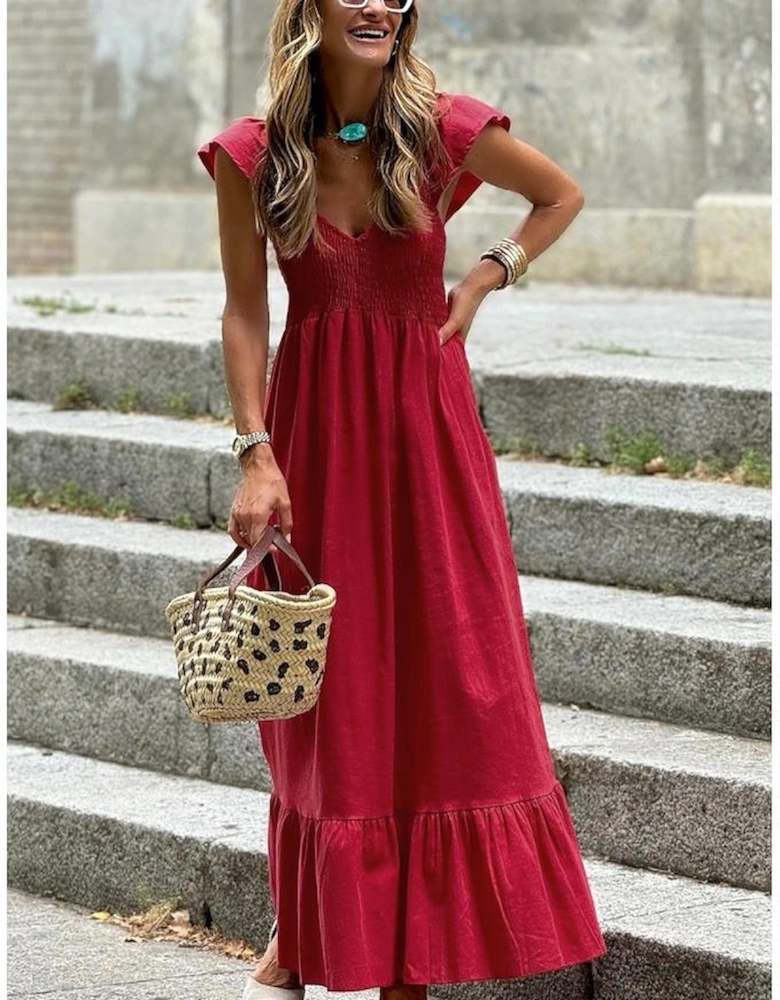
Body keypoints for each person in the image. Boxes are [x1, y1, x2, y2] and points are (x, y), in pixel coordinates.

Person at [196, 0, 608, 997]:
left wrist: (486, 277)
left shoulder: (444, 132)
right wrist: (255, 454)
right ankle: (307, 928)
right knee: (334, 692)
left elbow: (559, 196)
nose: (379, 2)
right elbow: (246, 310)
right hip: (316, 441)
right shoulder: (254, 155)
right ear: (312, 9)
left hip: (428, 438)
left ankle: (406, 961)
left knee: (447, 680)